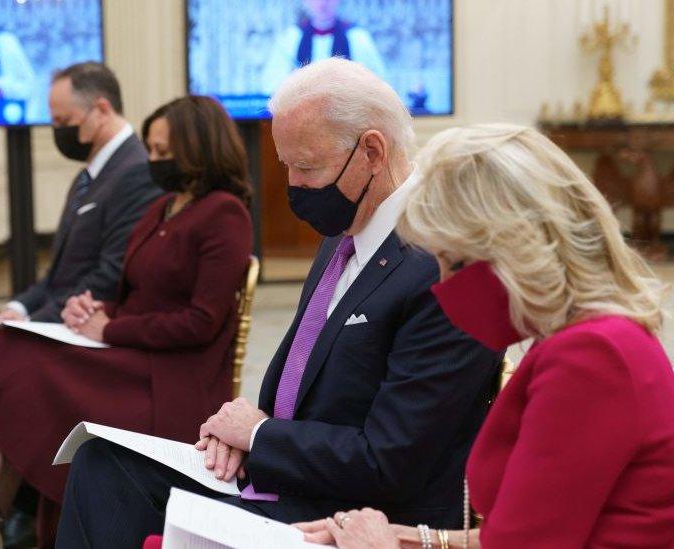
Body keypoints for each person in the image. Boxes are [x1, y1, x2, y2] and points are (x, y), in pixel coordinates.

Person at [55, 58, 502, 549]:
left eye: (306, 167)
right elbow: (304, 376)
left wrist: (262, 436)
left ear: (372, 151)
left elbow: (388, 462)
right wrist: (239, 432)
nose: (293, 185)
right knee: (102, 464)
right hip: (292, 471)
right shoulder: (347, 231)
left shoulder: (443, 263)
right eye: (286, 165)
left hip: (355, 512)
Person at [296, 124, 674, 548]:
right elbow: (527, 531)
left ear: (517, 252)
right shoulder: (588, 338)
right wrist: (412, 539)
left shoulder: (590, 356)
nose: (440, 285)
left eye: (453, 263)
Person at [0, 95, 254, 548]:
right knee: (11, 345)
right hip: (132, 353)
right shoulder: (164, 207)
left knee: (21, 362)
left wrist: (109, 329)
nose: (153, 161)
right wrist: (94, 311)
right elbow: (132, 292)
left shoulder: (224, 214)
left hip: (171, 376)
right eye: (151, 149)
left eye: (162, 151)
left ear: (198, 149)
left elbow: (200, 323)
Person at [0, 61, 162, 545]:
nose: (59, 133)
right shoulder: (92, 173)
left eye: (63, 123)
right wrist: (17, 309)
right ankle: (8, 497)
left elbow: (109, 276)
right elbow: (57, 273)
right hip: (60, 314)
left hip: (93, 324)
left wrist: (31, 324)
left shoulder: (134, 170)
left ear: (100, 109)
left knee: (4, 359)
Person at [261, 0, 386, 94]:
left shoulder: (356, 36)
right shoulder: (292, 37)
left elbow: (376, 81)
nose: (322, 3)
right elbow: (271, 82)